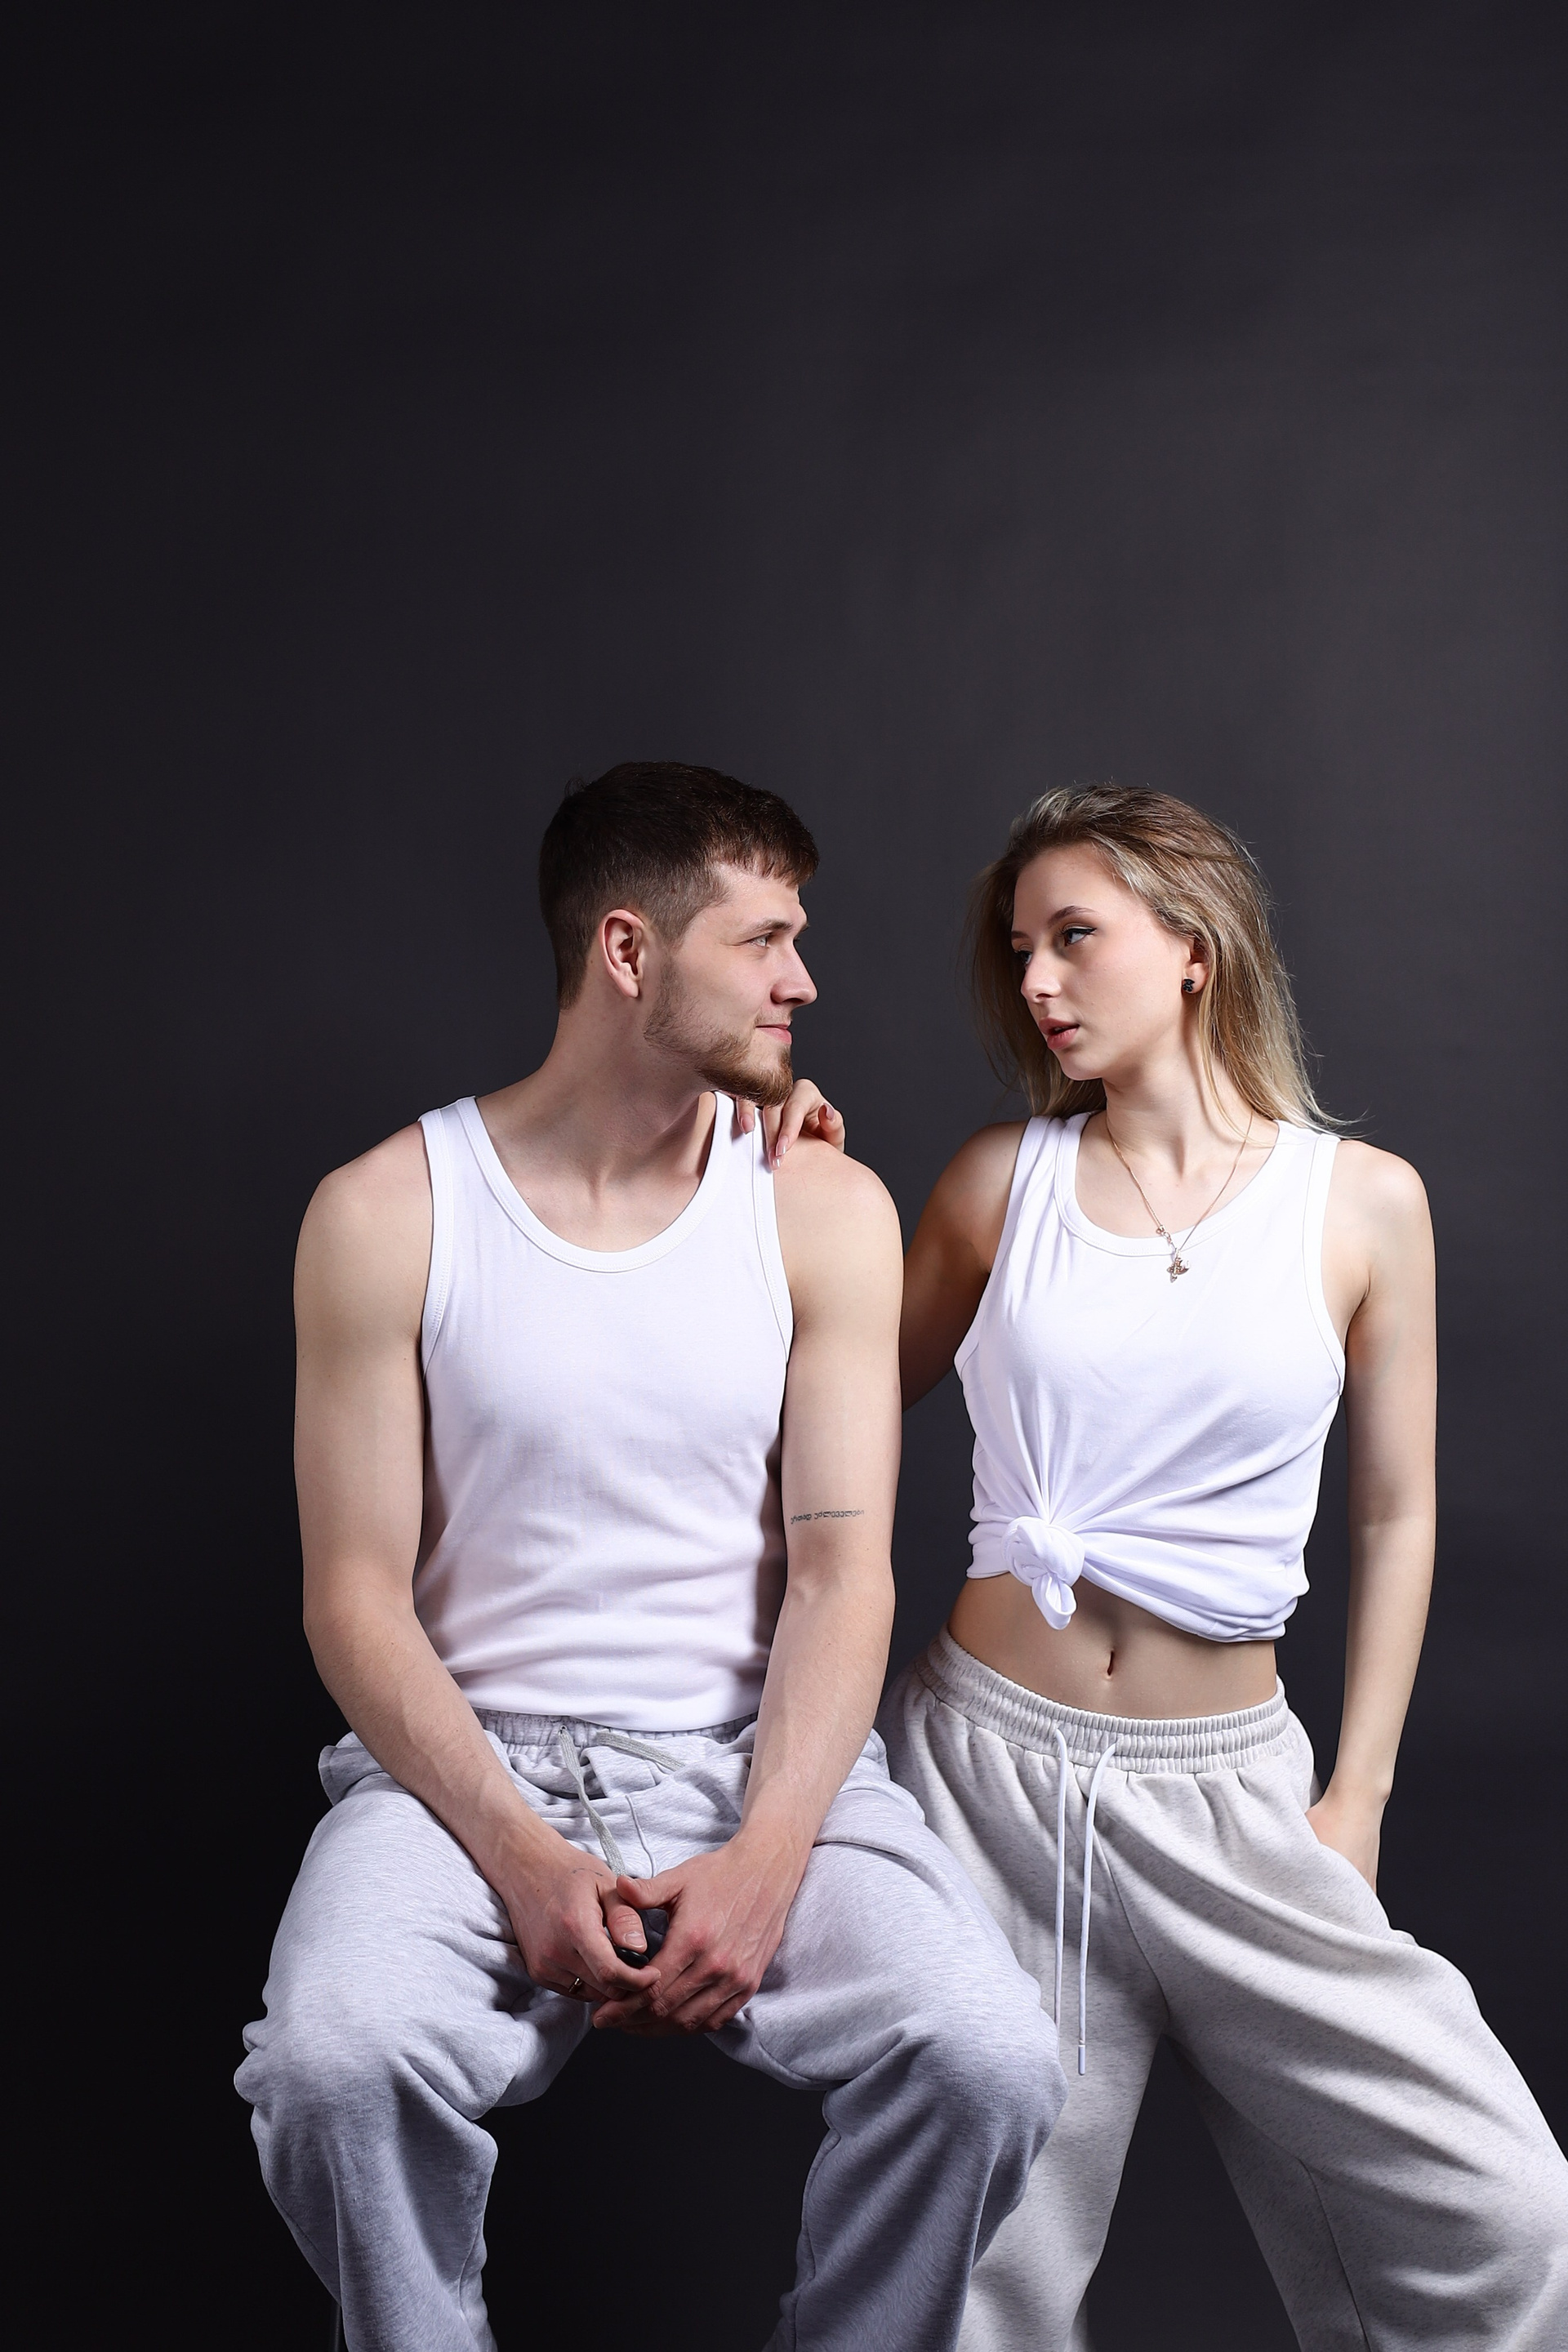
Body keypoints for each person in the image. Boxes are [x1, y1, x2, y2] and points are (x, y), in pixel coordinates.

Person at [236, 763, 1063, 2352]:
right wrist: (518, 1850)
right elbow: (352, 1596)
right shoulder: (385, 1213)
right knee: (329, 2065)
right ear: (629, 951)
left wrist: (768, 1857)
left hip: (754, 1760)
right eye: (763, 941)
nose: (802, 981)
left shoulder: (821, 1208)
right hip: (459, 1771)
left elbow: (843, 1574)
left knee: (987, 2057)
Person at [872, 785, 1568, 2350]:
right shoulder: (996, 1185)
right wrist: (783, 1186)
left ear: (1195, 946)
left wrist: (1358, 1795)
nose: (1037, 982)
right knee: (973, 2281)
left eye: (1075, 938)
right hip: (988, 1780)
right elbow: (822, 1442)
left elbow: (1396, 1513)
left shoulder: (1363, 1203)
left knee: (1509, 2214)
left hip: (1236, 1797)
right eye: (1020, 950)